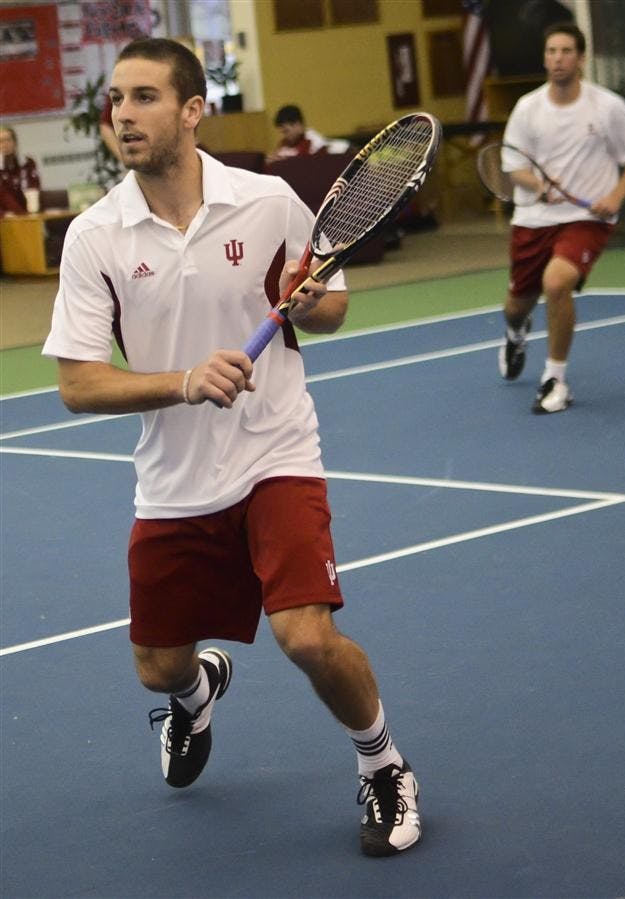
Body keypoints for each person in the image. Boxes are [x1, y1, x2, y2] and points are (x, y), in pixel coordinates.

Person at [42, 38, 420, 858]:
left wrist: (307, 302)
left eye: (144, 98)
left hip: (275, 450)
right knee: (157, 665)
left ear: (191, 110)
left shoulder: (268, 200)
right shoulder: (95, 236)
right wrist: (182, 381)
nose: (123, 115)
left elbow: (330, 309)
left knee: (306, 637)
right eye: (115, 100)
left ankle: (384, 763)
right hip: (175, 479)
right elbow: (76, 385)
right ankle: (197, 691)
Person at [497, 21, 625, 414]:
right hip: (534, 218)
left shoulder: (608, 107)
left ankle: (555, 379)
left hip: (586, 220)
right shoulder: (527, 108)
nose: (557, 59)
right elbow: (513, 166)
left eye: (566, 51)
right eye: (551, 52)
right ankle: (516, 332)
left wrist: (615, 196)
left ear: (581, 59)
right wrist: (538, 185)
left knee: (557, 282)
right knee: (517, 304)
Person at [266, 104, 349, 164]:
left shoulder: (313, 141)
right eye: (281, 132)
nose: (283, 135)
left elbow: (305, 163)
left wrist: (282, 160)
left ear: (298, 125)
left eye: (286, 131)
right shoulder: (285, 143)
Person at [0, 126, 41, 216]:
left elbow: (34, 187)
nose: (5, 144)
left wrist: (29, 213)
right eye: (1, 141)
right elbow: (3, 195)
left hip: (28, 211)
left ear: (15, 142)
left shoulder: (27, 162)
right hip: (4, 216)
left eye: (8, 140)